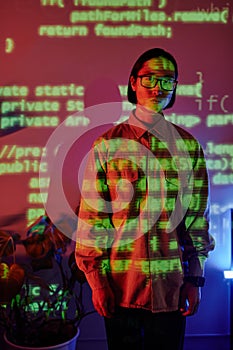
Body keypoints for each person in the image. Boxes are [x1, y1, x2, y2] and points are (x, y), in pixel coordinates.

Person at [75, 48, 214, 350]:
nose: (157, 87)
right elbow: (92, 220)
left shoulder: (187, 147)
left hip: (171, 292)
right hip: (121, 289)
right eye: (149, 78)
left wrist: (195, 279)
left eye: (167, 81)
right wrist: (97, 284)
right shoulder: (108, 145)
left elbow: (196, 220)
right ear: (133, 82)